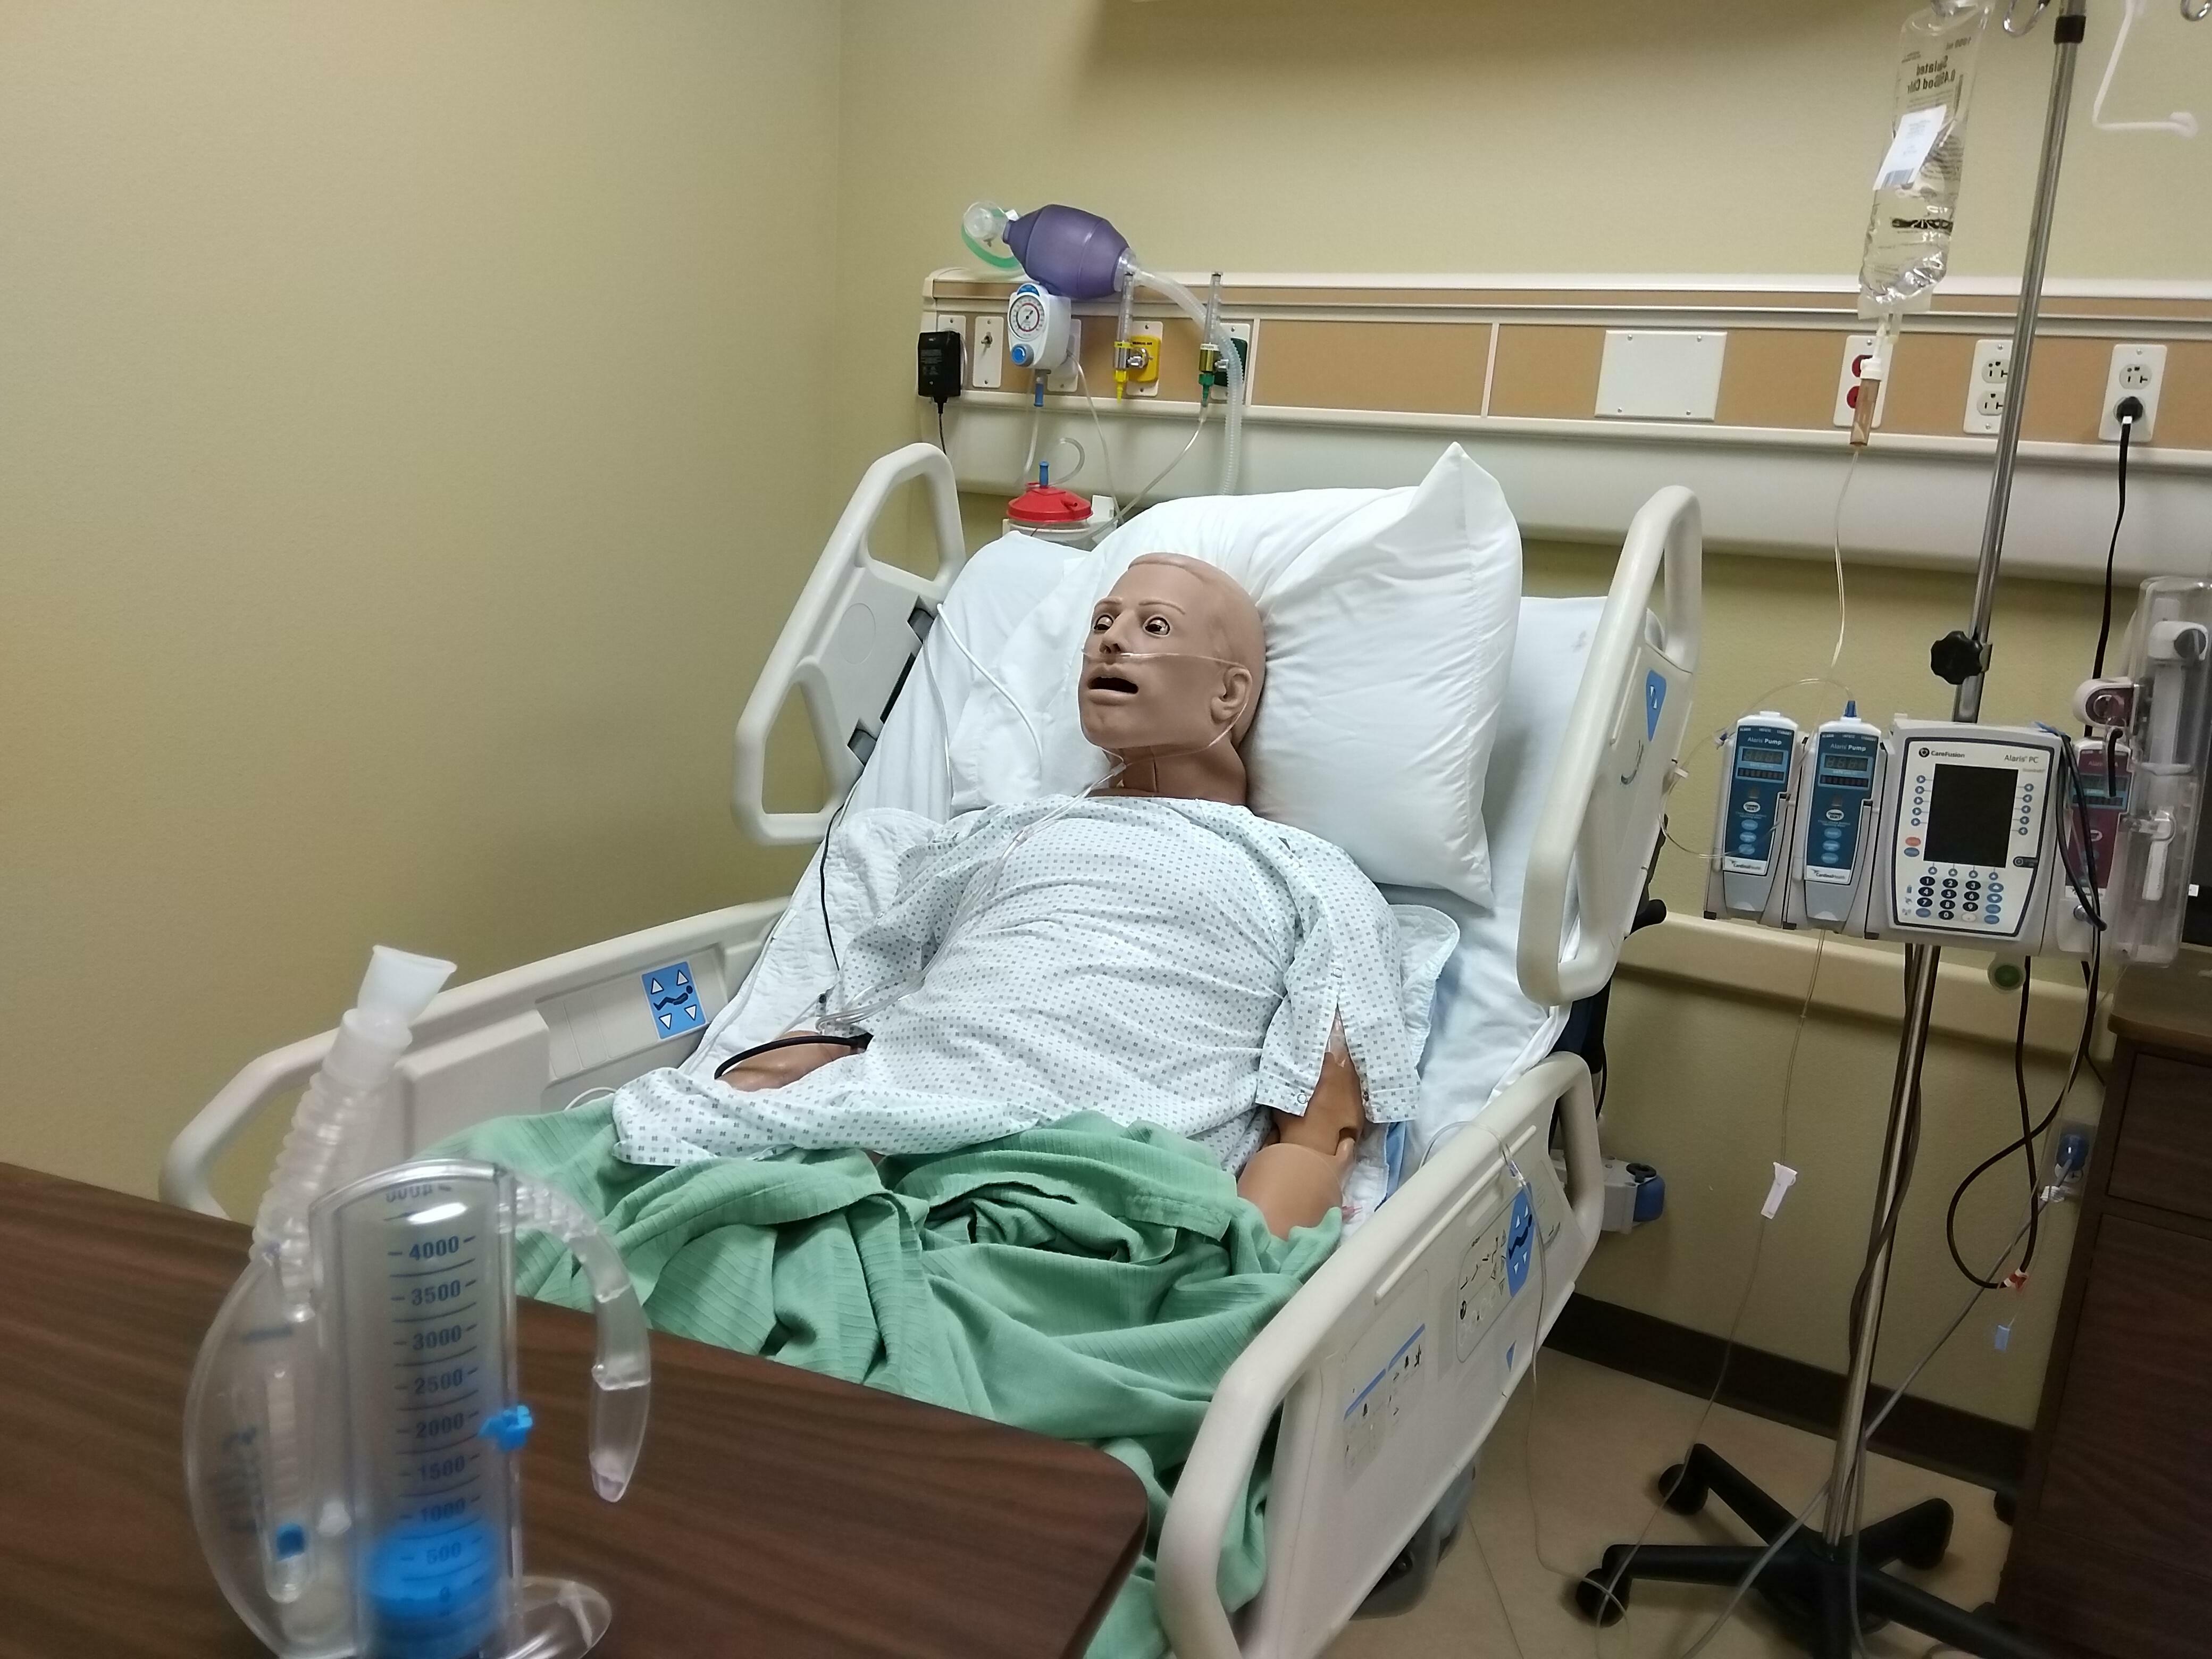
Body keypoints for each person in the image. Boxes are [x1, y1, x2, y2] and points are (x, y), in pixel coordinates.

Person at [606, 555, 1438, 1235]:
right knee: (572, 1184)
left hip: (1090, 1185)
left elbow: (1318, 1134)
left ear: (1229, 692)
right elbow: (851, 1018)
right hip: (868, 1136)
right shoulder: (997, 834)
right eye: (1102, 623)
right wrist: (726, 1108)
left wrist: (1235, 1282)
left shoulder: (1306, 871)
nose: (1111, 642)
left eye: (1153, 627)